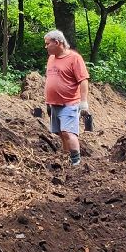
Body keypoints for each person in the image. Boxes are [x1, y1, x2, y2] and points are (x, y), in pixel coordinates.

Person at [43, 28, 90, 166]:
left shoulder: (74, 58)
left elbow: (83, 80)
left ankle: (76, 161)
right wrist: (48, 102)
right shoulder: (51, 59)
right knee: (60, 133)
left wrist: (84, 102)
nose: (46, 47)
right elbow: (51, 80)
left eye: (47, 44)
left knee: (68, 132)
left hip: (69, 103)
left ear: (57, 42)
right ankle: (66, 158)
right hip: (54, 103)